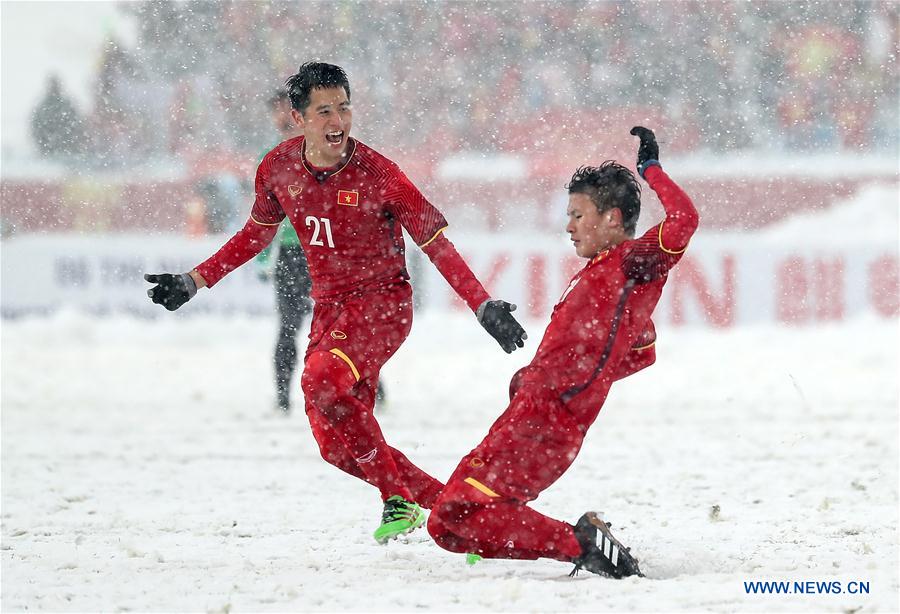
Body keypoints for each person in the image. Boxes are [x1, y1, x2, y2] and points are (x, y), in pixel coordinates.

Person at [144, 62, 526, 543]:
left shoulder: (380, 173)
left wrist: (482, 304)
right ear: (298, 117)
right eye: (324, 111)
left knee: (322, 379)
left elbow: (435, 243)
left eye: (344, 108)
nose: (338, 121)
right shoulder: (278, 168)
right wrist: (195, 280)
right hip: (330, 310)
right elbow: (253, 237)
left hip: (384, 304)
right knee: (335, 447)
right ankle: (472, 512)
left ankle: (397, 500)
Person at [426, 127, 699, 578]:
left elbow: (684, 220)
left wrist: (651, 170)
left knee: (454, 519)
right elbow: (642, 350)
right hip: (537, 409)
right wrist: (542, 376)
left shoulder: (632, 261)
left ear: (612, 218)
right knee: (453, 521)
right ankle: (582, 543)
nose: (568, 226)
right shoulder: (604, 276)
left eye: (577, 214)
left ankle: (582, 545)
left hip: (547, 419)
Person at [254, 88, 313, 414]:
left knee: (342, 326)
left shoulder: (325, 151)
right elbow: (263, 213)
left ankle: (371, 389)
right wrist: (263, 257)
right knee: (289, 325)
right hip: (291, 253)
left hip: (324, 252)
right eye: (274, 110)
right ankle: (282, 398)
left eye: (283, 109)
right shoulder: (271, 158)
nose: (279, 117)